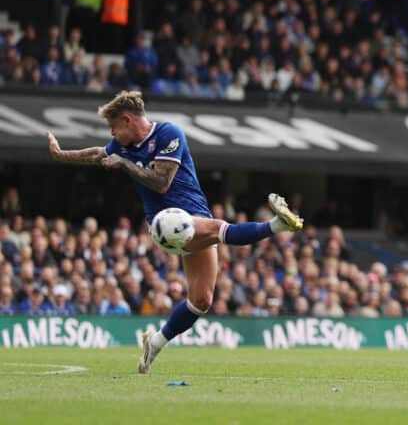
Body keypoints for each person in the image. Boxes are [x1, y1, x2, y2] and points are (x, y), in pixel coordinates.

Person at [47, 90, 304, 373]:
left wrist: (125, 164)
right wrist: (61, 155)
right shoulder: (122, 147)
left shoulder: (169, 134)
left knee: (201, 300)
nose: (112, 135)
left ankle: (155, 343)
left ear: (128, 120)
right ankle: (279, 225)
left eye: (113, 128)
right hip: (165, 222)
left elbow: (161, 182)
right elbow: (98, 154)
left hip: (195, 219)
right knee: (220, 228)